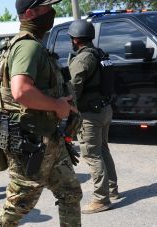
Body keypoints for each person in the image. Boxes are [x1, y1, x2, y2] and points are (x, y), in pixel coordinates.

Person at [0, 1, 111, 227]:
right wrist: (57, 106)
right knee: (20, 203)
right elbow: (21, 91)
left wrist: (59, 98)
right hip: (32, 142)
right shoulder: (28, 46)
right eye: (44, 7)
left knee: (70, 191)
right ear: (28, 14)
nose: (50, 12)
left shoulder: (26, 44)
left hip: (47, 138)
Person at [67, 20, 120, 214]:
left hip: (90, 114)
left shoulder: (82, 59)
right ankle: (112, 189)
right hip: (104, 110)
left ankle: (101, 198)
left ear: (76, 39)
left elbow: (74, 86)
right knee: (103, 150)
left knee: (91, 154)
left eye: (72, 39)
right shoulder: (100, 53)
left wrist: (66, 107)